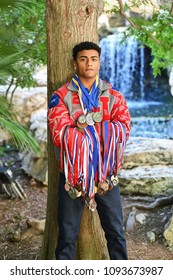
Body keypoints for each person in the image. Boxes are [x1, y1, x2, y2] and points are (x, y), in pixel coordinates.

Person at [47, 41, 131, 260]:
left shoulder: (114, 95)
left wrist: (84, 128)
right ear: (75, 63)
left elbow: (124, 128)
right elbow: (59, 134)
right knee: (66, 236)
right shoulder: (61, 96)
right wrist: (104, 128)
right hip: (73, 177)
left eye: (93, 59)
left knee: (116, 233)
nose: (89, 63)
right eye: (83, 59)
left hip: (106, 177)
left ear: (99, 62)